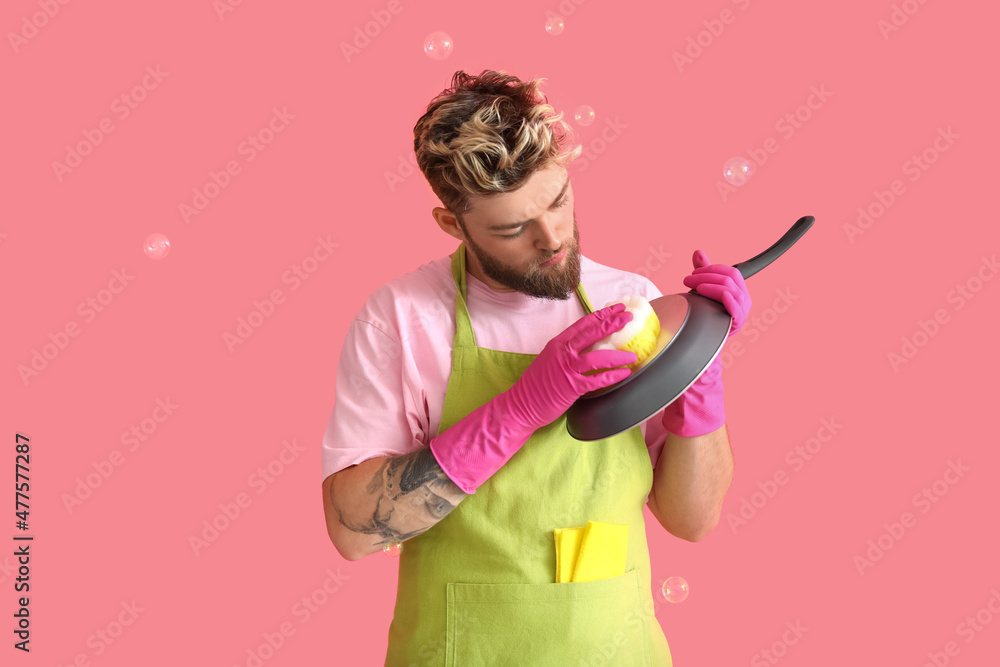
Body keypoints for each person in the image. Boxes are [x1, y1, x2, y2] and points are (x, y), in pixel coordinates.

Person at [321, 69, 751, 666]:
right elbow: (353, 531)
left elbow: (694, 520)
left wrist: (700, 364)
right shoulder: (401, 319)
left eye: (558, 200)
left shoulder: (631, 300)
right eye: (512, 228)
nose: (552, 239)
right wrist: (521, 406)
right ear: (454, 224)